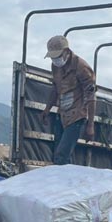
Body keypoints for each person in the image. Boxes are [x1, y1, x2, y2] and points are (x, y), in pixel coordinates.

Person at [41, 35, 96, 165]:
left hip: (77, 116)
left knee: (61, 155)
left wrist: (90, 125)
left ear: (67, 51)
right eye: (53, 57)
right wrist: (47, 109)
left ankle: (61, 184)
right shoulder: (55, 67)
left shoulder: (81, 67)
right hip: (62, 114)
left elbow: (91, 96)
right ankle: (70, 182)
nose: (55, 60)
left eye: (57, 56)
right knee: (60, 155)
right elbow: (55, 88)